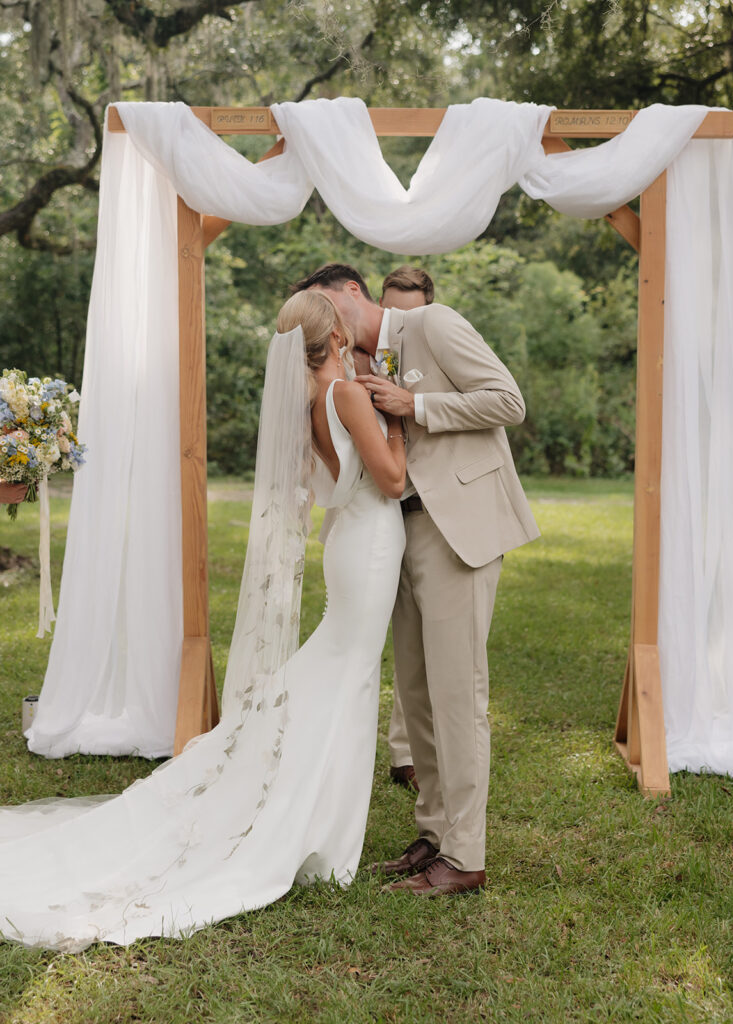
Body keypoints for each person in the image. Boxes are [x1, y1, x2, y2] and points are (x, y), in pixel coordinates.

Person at [0, 290, 407, 950]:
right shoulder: (352, 395)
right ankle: (316, 835)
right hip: (369, 539)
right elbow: (390, 479)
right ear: (335, 336)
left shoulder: (310, 398)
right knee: (349, 674)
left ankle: (317, 820)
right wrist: (397, 417)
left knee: (343, 671)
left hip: (350, 539)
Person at [293, 263, 539, 897]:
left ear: (351, 291)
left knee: (459, 696)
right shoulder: (350, 367)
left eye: (325, 304)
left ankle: (465, 854)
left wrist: (414, 404)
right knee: (418, 694)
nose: (325, 323)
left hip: (456, 530)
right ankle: (433, 832)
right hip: (396, 537)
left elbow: (507, 401)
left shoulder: (433, 324)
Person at [378, 266, 436, 793]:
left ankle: (407, 751)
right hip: (378, 508)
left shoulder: (442, 348)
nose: (403, 322)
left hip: (429, 510)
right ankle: (398, 749)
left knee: (420, 637)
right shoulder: (371, 355)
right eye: (394, 310)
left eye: (412, 313)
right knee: (395, 632)